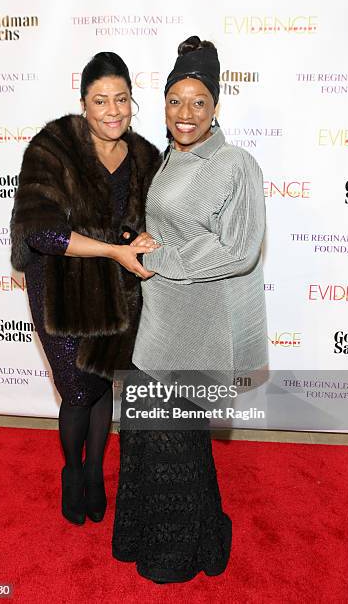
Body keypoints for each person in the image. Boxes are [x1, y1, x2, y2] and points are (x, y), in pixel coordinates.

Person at [112, 36, 268, 583]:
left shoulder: (235, 164)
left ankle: (182, 550)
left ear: (216, 105)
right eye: (176, 99)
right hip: (157, 318)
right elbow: (175, 226)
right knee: (145, 435)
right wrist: (144, 242)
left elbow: (240, 249)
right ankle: (145, 535)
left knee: (174, 440)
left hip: (198, 324)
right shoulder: (168, 158)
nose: (186, 113)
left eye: (198, 101)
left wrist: (164, 259)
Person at [10, 52, 160, 526]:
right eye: (100, 100)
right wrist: (113, 250)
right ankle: (73, 472)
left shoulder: (144, 156)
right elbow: (40, 233)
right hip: (59, 290)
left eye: (121, 99)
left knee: (102, 386)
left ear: (133, 101)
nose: (112, 110)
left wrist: (142, 238)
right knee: (76, 391)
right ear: (83, 103)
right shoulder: (53, 146)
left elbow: (157, 219)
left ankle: (96, 472)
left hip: (116, 296)